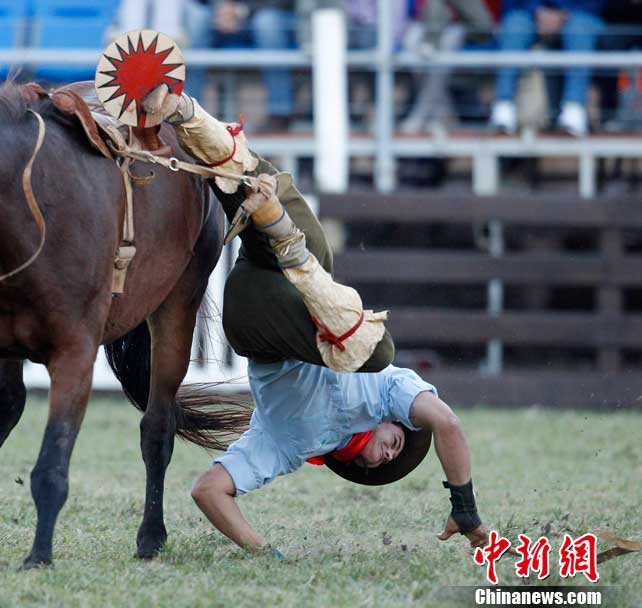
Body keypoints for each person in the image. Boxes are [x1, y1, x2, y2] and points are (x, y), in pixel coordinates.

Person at [141, 84, 488, 554]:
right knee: (370, 340)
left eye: (387, 459)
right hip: (291, 278)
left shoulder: (286, 446)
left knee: (372, 346)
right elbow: (446, 423)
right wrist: (465, 507)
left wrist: (265, 552)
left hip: (258, 321)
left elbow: (207, 491)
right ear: (396, 422)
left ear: (361, 469)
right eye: (398, 442)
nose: (392, 450)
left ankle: (283, 238)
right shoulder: (390, 391)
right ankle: (184, 115)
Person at [487, 0, 606, 137]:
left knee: (579, 29)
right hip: (530, 13)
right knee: (515, 25)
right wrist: (537, 10)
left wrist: (564, 13)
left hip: (578, 15)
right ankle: (503, 108)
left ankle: (574, 109)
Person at [184, 0, 296, 131]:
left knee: (268, 22)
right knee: (197, 18)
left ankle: (279, 112)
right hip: (216, 15)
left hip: (259, 14)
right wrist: (220, 8)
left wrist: (241, 11)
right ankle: (189, 113)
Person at [400, 0, 496, 133]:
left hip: (466, 31)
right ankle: (439, 114)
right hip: (433, 30)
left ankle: (424, 114)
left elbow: (483, 25)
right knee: (413, 42)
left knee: (443, 46)